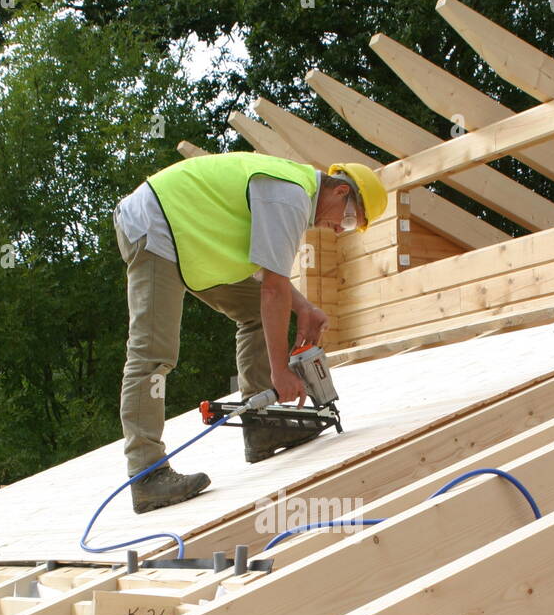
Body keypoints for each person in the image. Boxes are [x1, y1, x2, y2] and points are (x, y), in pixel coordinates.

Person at [112, 152, 387, 511]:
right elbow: (274, 288)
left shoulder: (291, 191)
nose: (339, 229)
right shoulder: (289, 195)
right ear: (338, 191)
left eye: (349, 228)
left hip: (189, 237)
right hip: (156, 225)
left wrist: (303, 307)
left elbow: (266, 273)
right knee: (152, 353)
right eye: (349, 219)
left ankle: (262, 428)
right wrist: (279, 371)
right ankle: (146, 475)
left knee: (255, 312)